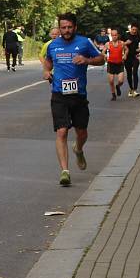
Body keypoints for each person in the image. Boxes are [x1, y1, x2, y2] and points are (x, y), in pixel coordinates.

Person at [42, 12, 105, 187]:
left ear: (75, 27)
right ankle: (65, 171)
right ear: (59, 28)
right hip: (59, 94)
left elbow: (101, 59)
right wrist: (46, 72)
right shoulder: (53, 45)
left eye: (70, 27)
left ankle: (78, 149)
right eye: (63, 27)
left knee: (82, 132)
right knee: (61, 131)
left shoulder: (84, 43)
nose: (67, 30)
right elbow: (48, 63)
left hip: (78, 95)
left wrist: (86, 60)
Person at [106, 28, 127, 101]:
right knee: (111, 81)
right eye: (113, 35)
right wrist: (104, 55)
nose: (114, 36)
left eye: (115, 35)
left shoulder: (122, 43)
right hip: (111, 64)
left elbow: (127, 49)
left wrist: (125, 55)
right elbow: (103, 52)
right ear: (111, 36)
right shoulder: (108, 44)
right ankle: (113, 94)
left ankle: (118, 86)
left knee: (121, 81)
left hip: (120, 63)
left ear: (117, 35)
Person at [123, 23, 140, 97]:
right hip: (127, 57)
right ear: (130, 29)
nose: (134, 31)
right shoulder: (125, 35)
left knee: (135, 72)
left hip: (135, 56)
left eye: (136, 30)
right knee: (129, 73)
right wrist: (126, 43)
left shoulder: (138, 35)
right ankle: (131, 89)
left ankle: (135, 89)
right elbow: (120, 45)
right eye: (133, 29)